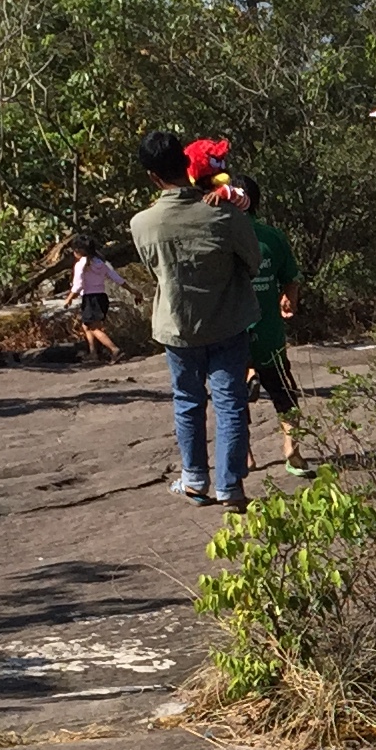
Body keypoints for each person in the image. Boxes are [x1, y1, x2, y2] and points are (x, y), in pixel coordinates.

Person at [126, 128, 261, 507]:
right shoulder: (224, 215)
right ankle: (231, 487)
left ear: (153, 176)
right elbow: (253, 261)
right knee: (230, 401)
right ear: (187, 163)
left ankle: (194, 480)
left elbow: (156, 271)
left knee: (187, 400)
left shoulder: (142, 224)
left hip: (177, 327)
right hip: (228, 322)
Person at [237, 171, 308, 475]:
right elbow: (291, 277)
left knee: (232, 400)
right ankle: (292, 449)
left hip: (234, 334)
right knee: (285, 395)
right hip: (269, 334)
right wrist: (287, 298)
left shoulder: (222, 236)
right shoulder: (273, 237)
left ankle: (245, 455)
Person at [65, 239, 121, 363]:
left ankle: (114, 349)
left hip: (90, 299)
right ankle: (93, 353)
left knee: (93, 328)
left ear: (78, 251)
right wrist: (133, 291)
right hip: (101, 297)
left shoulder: (81, 264)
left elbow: (78, 285)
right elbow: (116, 277)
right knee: (86, 325)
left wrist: (69, 299)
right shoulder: (101, 262)